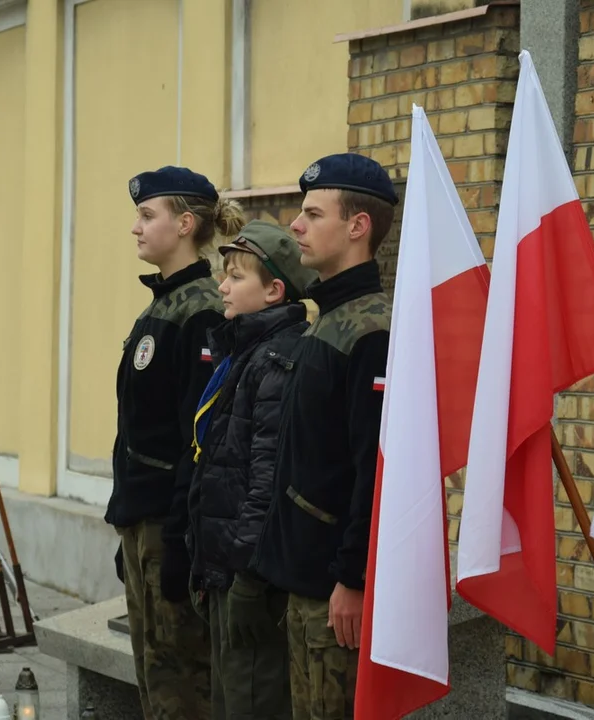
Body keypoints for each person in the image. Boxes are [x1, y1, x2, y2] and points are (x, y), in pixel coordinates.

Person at [253, 153, 398, 719]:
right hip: (305, 579)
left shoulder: (371, 330)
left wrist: (353, 578)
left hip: (334, 592)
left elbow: (375, 467)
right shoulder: (330, 316)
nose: (296, 225)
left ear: (357, 226)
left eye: (313, 213)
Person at [104, 165, 246, 720]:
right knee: (154, 675)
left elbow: (200, 435)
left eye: (147, 215)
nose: (135, 228)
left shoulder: (202, 310)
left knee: (182, 685)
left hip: (171, 525)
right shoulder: (162, 306)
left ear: (186, 223)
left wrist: (181, 538)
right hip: (144, 520)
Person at [186, 220, 317, 720]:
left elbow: (266, 481)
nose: (222, 286)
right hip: (225, 568)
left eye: (236, 277)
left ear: (273, 291)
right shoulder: (245, 354)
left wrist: (247, 579)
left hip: (251, 579)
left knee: (252, 703)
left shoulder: (277, 362)